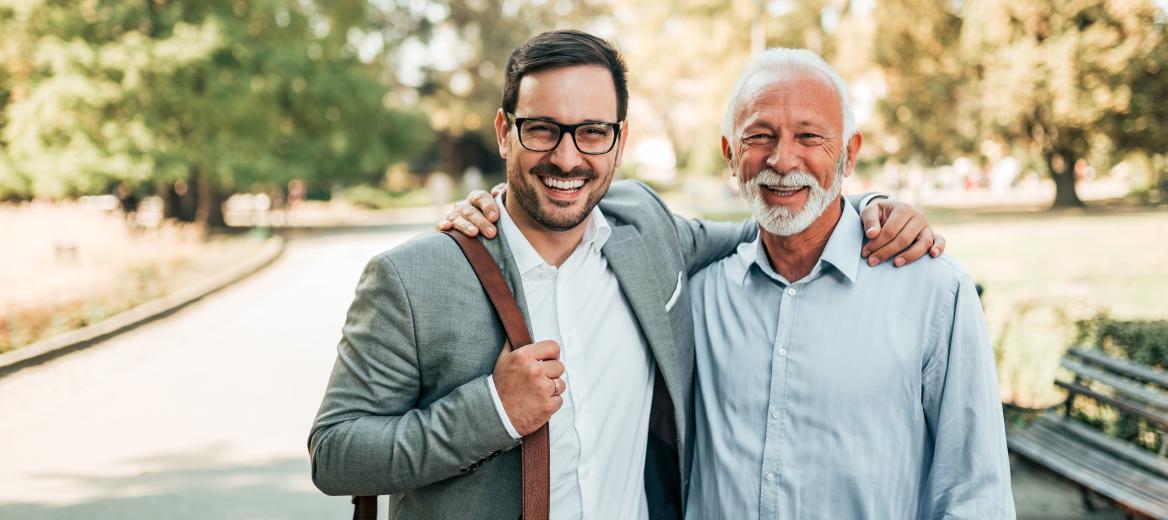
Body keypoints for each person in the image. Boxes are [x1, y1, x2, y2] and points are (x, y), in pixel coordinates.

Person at [312, 31, 941, 519]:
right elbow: (335, 454)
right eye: (542, 130)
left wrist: (870, 209)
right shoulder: (412, 278)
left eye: (591, 133)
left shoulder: (647, 231)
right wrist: (493, 412)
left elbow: (776, 217)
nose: (567, 157)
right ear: (505, 132)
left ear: (619, 140)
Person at [685, 50, 1014, 518]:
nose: (781, 159)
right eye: (759, 136)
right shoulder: (701, 295)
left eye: (809, 137)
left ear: (849, 153)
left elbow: (976, 495)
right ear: (730, 154)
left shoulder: (935, 292)